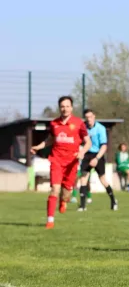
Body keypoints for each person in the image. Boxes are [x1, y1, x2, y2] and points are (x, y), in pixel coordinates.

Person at [30, 96, 91, 229]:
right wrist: (39, 147)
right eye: (62, 106)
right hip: (56, 160)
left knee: (66, 193)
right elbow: (50, 140)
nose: (65, 108)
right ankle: (50, 220)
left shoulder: (79, 123)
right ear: (59, 108)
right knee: (54, 189)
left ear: (72, 107)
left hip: (72, 163)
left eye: (67, 106)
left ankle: (64, 201)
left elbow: (88, 142)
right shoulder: (54, 123)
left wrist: (82, 152)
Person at [78, 109, 118, 211]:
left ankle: (113, 201)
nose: (89, 119)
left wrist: (97, 158)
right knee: (83, 178)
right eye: (87, 118)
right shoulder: (82, 127)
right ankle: (82, 206)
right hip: (87, 154)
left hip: (98, 154)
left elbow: (104, 146)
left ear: (94, 116)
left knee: (103, 180)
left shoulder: (100, 128)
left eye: (90, 117)